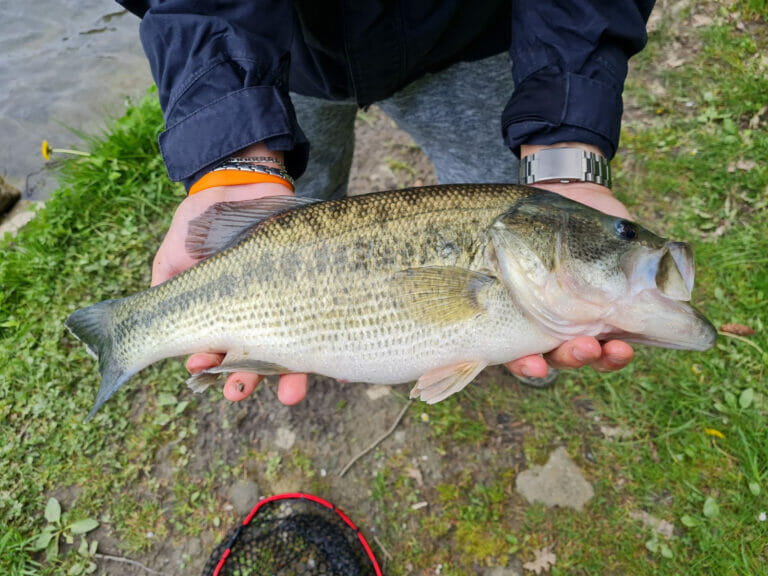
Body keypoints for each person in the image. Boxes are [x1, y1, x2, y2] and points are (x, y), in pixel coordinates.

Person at [118, 0, 654, 406]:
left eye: (621, 239)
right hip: (280, 60)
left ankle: (511, 347)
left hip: (466, 33)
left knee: (500, 188)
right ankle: (280, 338)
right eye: (622, 238)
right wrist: (233, 150)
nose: (627, 241)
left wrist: (563, 141)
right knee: (304, 201)